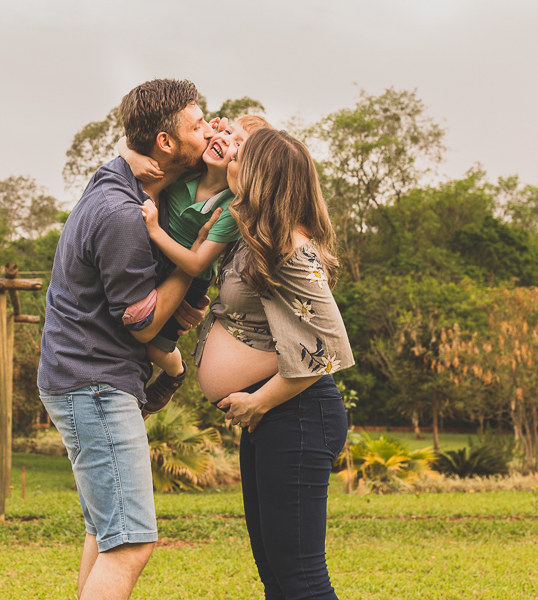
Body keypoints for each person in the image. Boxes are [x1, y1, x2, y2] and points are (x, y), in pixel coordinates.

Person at [37, 78, 215, 600]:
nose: (206, 131)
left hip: (81, 379)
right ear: (164, 142)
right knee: (132, 542)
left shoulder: (124, 181)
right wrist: (197, 257)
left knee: (105, 531)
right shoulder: (121, 213)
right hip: (94, 382)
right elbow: (141, 323)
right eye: (197, 124)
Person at [194, 126, 355, 600]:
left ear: (263, 176)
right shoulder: (256, 238)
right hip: (273, 418)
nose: (231, 162)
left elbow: (328, 345)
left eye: (242, 157)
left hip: (297, 415)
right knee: (276, 575)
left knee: (301, 577)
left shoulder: (291, 248)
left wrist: (259, 403)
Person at [118, 115, 273, 414]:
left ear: (245, 167)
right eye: (227, 131)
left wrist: (154, 231)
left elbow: (196, 262)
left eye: (237, 144)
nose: (226, 139)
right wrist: (132, 157)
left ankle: (175, 371)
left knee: (151, 346)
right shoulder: (191, 164)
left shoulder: (230, 207)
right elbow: (124, 141)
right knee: (124, 321)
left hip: (190, 274)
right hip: (156, 259)